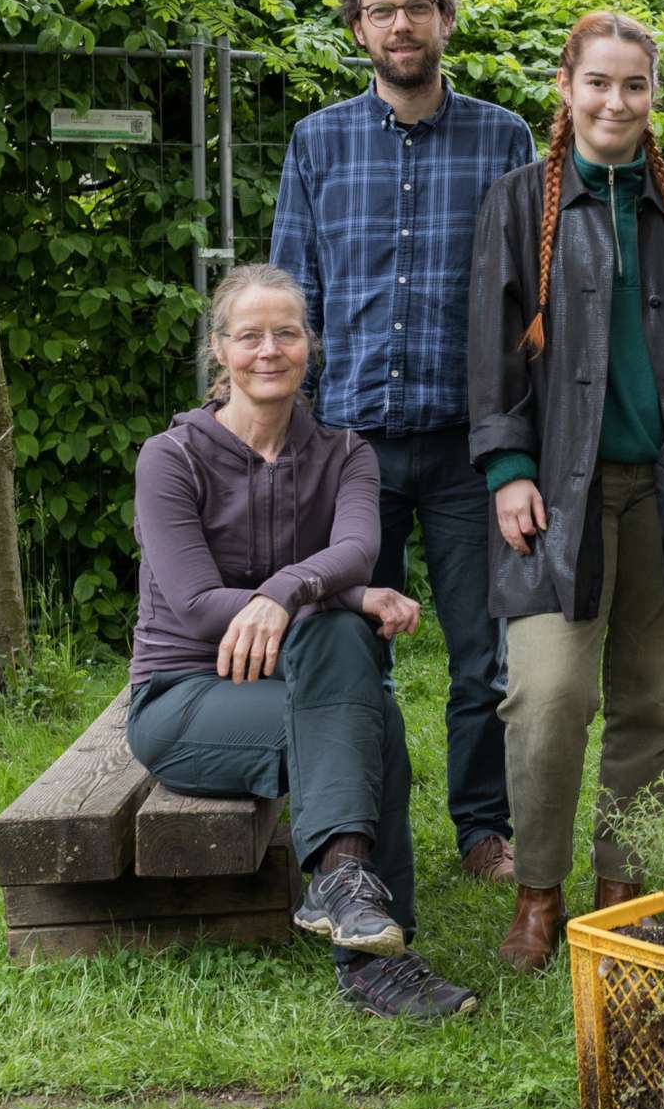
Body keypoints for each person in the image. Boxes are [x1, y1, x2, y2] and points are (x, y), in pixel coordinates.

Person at [467, 12, 664, 973]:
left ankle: (620, 889)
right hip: (560, 495)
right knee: (547, 693)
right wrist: (508, 467)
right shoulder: (518, 204)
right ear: (566, 88)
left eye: (634, 85)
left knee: (653, 699)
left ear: (654, 95)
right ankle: (539, 888)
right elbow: (490, 348)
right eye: (598, 82)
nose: (616, 101)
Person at [125, 265, 477, 1020]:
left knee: (347, 653)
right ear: (221, 349)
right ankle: (374, 961)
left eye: (286, 333)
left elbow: (356, 549)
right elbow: (195, 607)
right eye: (250, 335)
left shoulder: (345, 454)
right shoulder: (171, 457)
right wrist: (335, 594)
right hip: (184, 697)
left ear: (308, 346)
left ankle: (345, 891)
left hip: (296, 683)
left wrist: (286, 594)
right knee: (366, 708)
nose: (269, 350)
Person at [269, 0, 533, 884]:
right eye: (381, 10)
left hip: (468, 443)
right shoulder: (318, 142)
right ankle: (365, 825)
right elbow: (294, 294)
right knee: (350, 647)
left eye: (417, 7)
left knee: (482, 657)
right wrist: (289, 436)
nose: (401, 25)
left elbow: (528, 296)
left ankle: (482, 828)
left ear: (445, 18)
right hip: (350, 447)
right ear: (358, 29)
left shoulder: (503, 138)